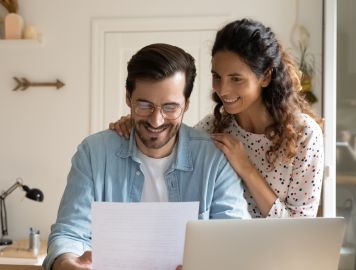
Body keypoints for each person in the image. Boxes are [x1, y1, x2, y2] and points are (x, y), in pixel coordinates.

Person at [43, 43, 250, 270]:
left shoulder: (215, 160)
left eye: (170, 107)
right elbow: (69, 233)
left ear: (186, 105)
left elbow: (234, 243)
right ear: (128, 98)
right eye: (144, 105)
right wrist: (66, 263)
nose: (156, 121)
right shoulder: (93, 153)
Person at [110, 18, 324, 219]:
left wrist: (246, 169)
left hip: (279, 255)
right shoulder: (213, 128)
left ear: (265, 76)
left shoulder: (305, 135)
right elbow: (167, 138)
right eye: (217, 77)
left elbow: (299, 227)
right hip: (224, 251)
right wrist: (139, 121)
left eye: (236, 79)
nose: (223, 89)